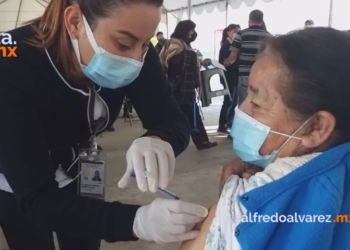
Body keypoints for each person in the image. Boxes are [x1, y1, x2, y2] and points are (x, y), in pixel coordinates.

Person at [0, 0, 209, 249]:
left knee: (85, 240)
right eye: (123, 44)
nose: (136, 59)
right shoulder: (10, 57)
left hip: (81, 165)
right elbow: (38, 198)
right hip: (18, 181)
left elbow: (171, 118)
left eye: (145, 44)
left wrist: (158, 139)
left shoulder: (137, 48)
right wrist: (136, 221)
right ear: (75, 22)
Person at [179, 27, 350, 250]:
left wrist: (223, 208)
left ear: (316, 128)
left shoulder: (245, 205)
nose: (241, 109)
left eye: (257, 103)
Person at [159, 20, 217, 151]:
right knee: (185, 113)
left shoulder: (182, 43)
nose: (193, 33)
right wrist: (190, 56)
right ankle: (198, 141)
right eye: (191, 30)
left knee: (189, 113)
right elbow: (174, 61)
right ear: (184, 30)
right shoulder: (175, 43)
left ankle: (200, 141)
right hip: (180, 87)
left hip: (182, 87)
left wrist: (198, 63)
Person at [224, 10, 271, 105]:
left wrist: (227, 62)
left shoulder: (241, 34)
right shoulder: (269, 36)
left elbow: (233, 57)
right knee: (258, 105)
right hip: (262, 76)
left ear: (249, 20)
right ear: (261, 21)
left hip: (244, 76)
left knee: (244, 105)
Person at [217, 24, 240, 135]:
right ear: (228, 32)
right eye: (235, 31)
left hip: (235, 77)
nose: (237, 33)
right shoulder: (226, 45)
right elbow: (224, 62)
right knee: (228, 101)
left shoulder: (235, 45)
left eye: (238, 31)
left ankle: (229, 123)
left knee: (234, 101)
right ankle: (222, 124)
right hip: (228, 77)